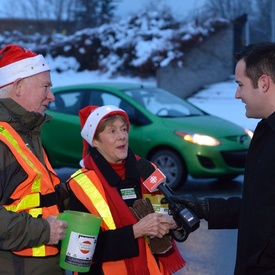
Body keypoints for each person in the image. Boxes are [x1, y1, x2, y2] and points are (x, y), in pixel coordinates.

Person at [164, 41, 275, 275]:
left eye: (240, 85)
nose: (237, 94)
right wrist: (205, 208)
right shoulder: (265, 131)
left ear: (263, 83)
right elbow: (260, 207)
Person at [66, 105, 186, 275]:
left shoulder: (147, 170)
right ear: (95, 141)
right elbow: (80, 252)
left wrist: (171, 223)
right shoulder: (82, 184)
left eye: (124, 129)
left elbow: (169, 216)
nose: (122, 136)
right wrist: (135, 231)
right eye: (112, 131)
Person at [0, 44, 68, 274]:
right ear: (18, 86)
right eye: (45, 87)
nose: (52, 96)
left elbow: (41, 198)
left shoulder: (28, 132)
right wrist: (43, 231)